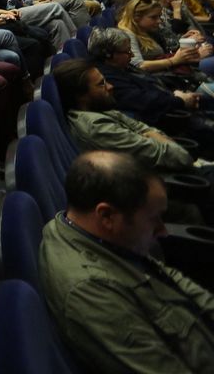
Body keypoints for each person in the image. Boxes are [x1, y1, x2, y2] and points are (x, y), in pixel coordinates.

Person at [39, 151, 214, 373]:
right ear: (106, 216)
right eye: (154, 219)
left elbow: (167, 277)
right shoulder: (94, 294)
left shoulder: (78, 228)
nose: (162, 230)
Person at [53, 60, 201, 175]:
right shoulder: (96, 126)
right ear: (81, 96)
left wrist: (152, 135)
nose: (110, 86)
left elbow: (142, 127)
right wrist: (155, 137)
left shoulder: (98, 108)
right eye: (101, 84)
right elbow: (181, 157)